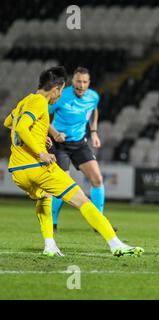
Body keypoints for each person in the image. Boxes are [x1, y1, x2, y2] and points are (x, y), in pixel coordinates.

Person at [3, 66, 143, 257]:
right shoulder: (39, 101)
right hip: (38, 166)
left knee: (44, 198)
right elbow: (21, 127)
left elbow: (8, 123)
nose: (60, 96)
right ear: (57, 88)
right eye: (61, 91)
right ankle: (116, 244)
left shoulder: (25, 100)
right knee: (82, 200)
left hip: (18, 172)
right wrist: (40, 151)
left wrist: (39, 135)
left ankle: (50, 246)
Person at [48, 67, 110, 232]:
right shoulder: (61, 96)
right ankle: (52, 223)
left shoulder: (93, 97)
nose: (81, 85)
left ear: (89, 83)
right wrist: (54, 133)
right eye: (78, 81)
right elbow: (42, 116)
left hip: (79, 144)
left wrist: (94, 132)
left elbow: (93, 111)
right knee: (64, 185)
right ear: (72, 82)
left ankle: (99, 223)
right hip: (59, 145)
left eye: (84, 82)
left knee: (97, 179)